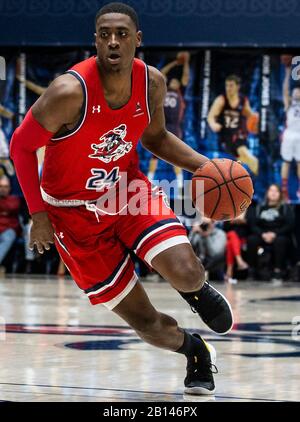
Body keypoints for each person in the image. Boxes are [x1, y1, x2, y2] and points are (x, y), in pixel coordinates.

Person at [10, 3, 233, 395]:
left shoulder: (152, 84)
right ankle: (195, 350)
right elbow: (20, 147)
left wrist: (206, 166)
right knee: (148, 325)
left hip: (125, 192)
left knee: (187, 270)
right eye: (105, 34)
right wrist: (38, 214)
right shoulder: (68, 91)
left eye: (122, 34)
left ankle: (197, 292)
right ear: (95, 40)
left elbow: (156, 138)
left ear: (138, 40)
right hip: (71, 216)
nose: (113, 41)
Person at [148, 52, 190, 194]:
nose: (174, 82)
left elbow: (185, 78)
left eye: (176, 81)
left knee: (175, 157)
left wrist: (185, 63)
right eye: (172, 80)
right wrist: (174, 63)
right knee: (155, 155)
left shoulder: (180, 92)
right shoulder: (164, 89)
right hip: (161, 124)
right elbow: (161, 74)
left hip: (174, 127)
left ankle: (180, 187)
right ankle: (150, 182)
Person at [207, 74, 259, 175]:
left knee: (247, 156)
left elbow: (250, 115)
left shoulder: (243, 100)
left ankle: (258, 180)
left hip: (239, 134)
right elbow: (210, 116)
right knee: (244, 161)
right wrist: (213, 124)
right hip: (226, 136)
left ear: (237, 87)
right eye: (227, 85)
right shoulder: (221, 100)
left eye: (231, 85)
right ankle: (255, 178)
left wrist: (256, 120)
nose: (228, 88)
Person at [247, 184, 294, 283]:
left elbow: (289, 225)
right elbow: (253, 225)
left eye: (276, 191)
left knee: (280, 241)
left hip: (279, 234)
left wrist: (275, 234)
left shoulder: (285, 208)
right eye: (271, 191)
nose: (273, 193)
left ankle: (278, 270)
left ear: (280, 194)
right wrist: (262, 234)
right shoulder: (260, 207)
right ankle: (252, 270)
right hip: (262, 234)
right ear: (267, 193)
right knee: (252, 240)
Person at [281, 64, 300, 201]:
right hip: (289, 135)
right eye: (295, 92)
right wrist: (288, 73)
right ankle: (284, 189)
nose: (297, 93)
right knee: (286, 161)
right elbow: (285, 90)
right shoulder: (289, 104)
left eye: (299, 91)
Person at [0, 175, 21, 273]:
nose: (3, 189)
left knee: (8, 238)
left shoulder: (14, 198)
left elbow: (12, 208)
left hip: (9, 228)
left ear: (10, 188)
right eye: (1, 186)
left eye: (5, 187)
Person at [223, 212, 249, 284]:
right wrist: (233, 221)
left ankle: (229, 272)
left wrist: (244, 222)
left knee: (230, 244)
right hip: (227, 236)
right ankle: (239, 261)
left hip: (242, 238)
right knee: (232, 234)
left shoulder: (252, 208)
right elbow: (225, 227)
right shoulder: (230, 208)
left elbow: (252, 224)